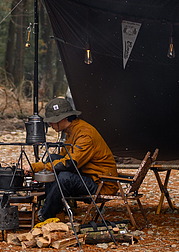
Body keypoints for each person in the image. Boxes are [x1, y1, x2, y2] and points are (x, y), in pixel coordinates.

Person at [30, 95, 118, 223]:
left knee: (64, 178)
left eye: (52, 121)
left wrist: (36, 167)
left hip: (101, 183)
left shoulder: (84, 133)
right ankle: (56, 210)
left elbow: (69, 163)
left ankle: (45, 215)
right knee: (53, 158)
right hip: (88, 176)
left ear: (63, 119)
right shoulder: (71, 131)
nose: (50, 124)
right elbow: (61, 159)